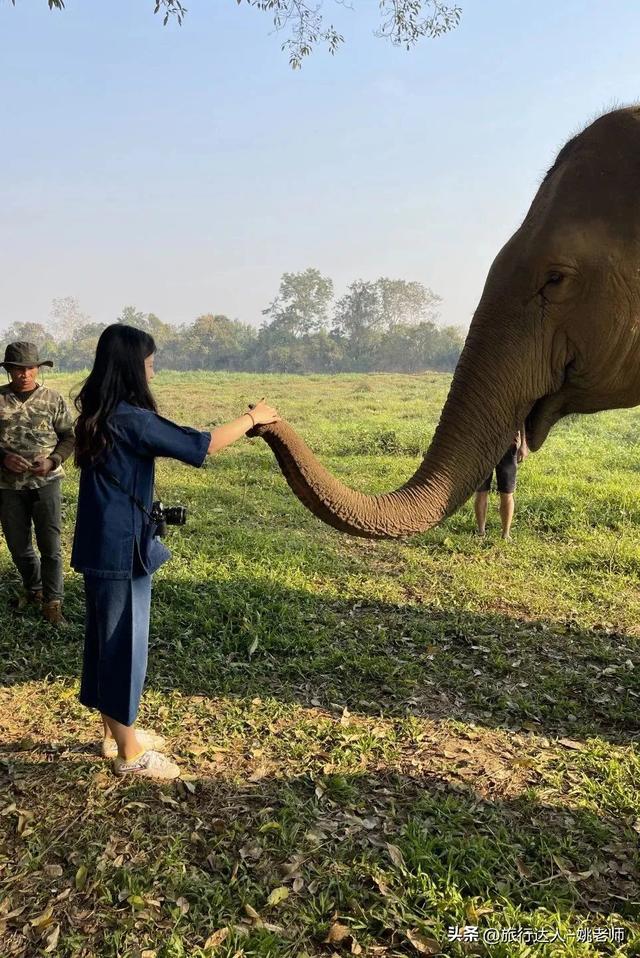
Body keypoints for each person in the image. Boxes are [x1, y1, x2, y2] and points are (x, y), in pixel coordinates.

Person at [72, 324, 279, 780]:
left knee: (105, 641)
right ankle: (130, 754)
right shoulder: (133, 419)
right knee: (123, 646)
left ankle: (114, 732)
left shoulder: (99, 412)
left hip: (100, 544)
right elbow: (200, 444)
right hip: (121, 550)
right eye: (149, 363)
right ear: (131, 368)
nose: (153, 370)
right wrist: (253, 418)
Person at [0, 342, 75, 626]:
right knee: (18, 545)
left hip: (46, 483)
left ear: (38, 369)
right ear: (9, 370)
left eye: (30, 368)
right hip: (8, 486)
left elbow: (69, 437)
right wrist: (4, 458)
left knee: (50, 546)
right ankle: (34, 588)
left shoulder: (52, 399)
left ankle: (53, 603)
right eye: (18, 369)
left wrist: (53, 460)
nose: (25, 374)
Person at [474, 427, 528, 540]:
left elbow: (521, 418)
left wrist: (523, 444)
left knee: (507, 492)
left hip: (508, 445)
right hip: (483, 446)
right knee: (481, 491)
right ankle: (481, 532)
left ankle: (506, 534)